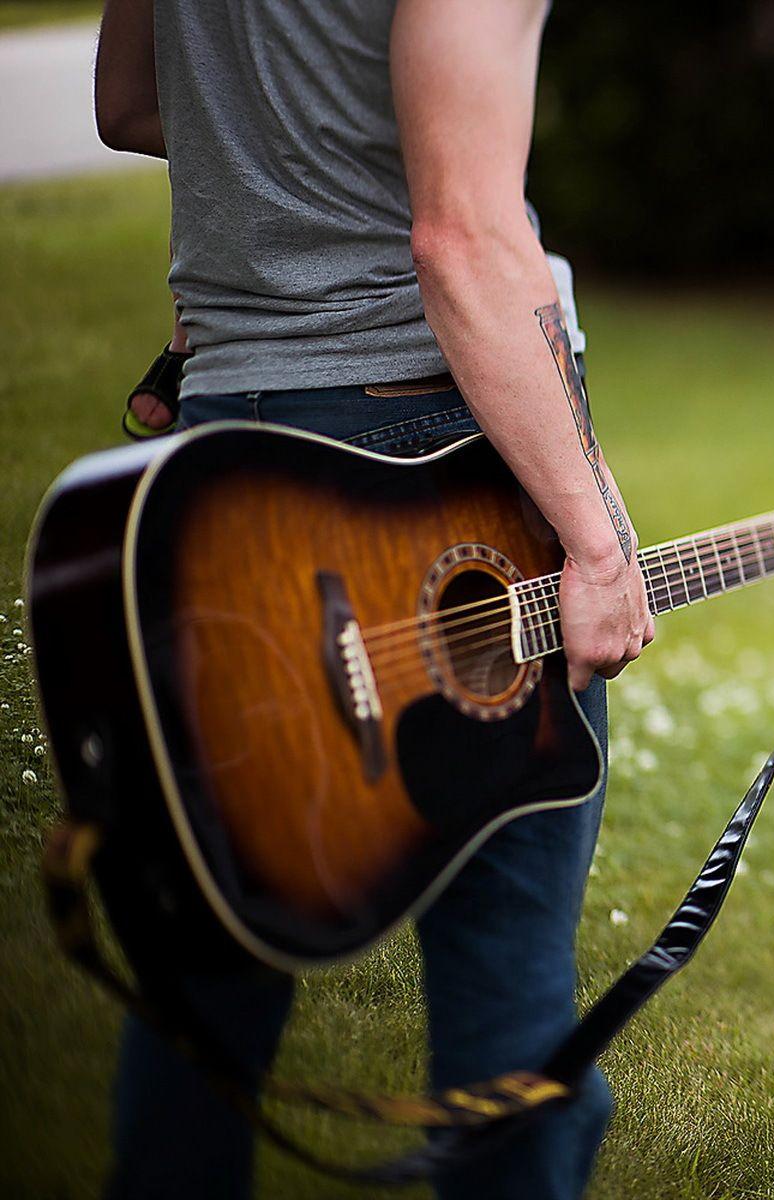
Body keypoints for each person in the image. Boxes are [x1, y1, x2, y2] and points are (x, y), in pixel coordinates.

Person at [92, 0, 653, 1195]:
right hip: (419, 460)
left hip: (216, 454)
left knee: (204, 978)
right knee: (506, 979)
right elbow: (460, 238)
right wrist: (597, 547)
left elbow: (131, 104)